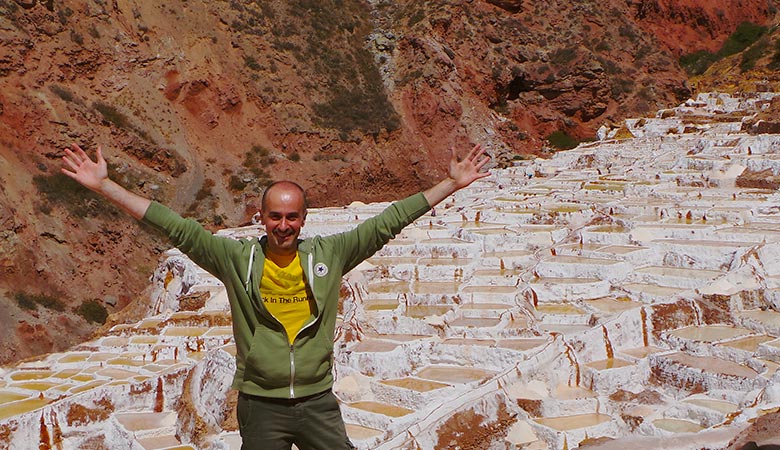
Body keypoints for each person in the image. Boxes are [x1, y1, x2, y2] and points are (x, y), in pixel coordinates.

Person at [61, 143, 491, 450]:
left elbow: (387, 222)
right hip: (262, 406)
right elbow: (176, 227)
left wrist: (450, 185)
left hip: (317, 401)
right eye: (275, 216)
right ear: (261, 218)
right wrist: (105, 187)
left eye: (291, 216)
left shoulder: (330, 254)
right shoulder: (235, 258)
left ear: (303, 219)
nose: (283, 225)